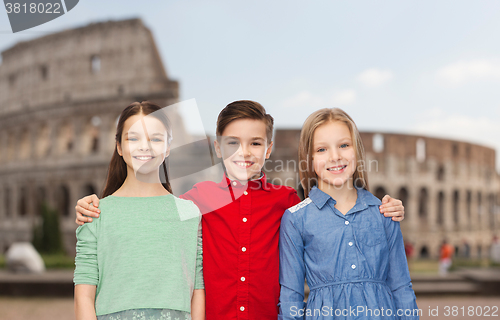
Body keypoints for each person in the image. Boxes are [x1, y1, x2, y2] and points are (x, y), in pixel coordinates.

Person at [74, 101, 406, 320]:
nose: (243, 152)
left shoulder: (288, 202)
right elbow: (149, 215)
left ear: (269, 148)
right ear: (217, 147)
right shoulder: (196, 199)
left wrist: (384, 208)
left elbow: (332, 215)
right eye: (232, 142)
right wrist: (94, 207)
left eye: (255, 143)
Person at [278, 108, 418, 319]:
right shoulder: (296, 219)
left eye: (344, 145)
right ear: (309, 158)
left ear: (357, 151)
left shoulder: (384, 212)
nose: (335, 157)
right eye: (322, 149)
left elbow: (401, 287)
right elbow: (291, 298)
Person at [73, 101, 205, 320]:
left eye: (155, 138)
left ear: (168, 146)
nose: (145, 146)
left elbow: (197, 289)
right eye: (133, 138)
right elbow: (84, 296)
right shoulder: (96, 212)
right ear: (118, 146)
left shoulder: (189, 213)